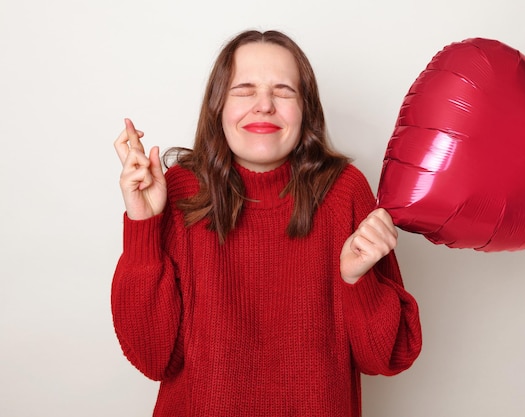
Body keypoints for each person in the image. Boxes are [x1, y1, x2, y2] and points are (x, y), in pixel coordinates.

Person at [112, 29, 421, 417]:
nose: (264, 106)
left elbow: (388, 355)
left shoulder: (346, 191)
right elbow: (153, 357)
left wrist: (357, 282)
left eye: (283, 91)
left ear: (305, 108)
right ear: (218, 106)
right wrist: (143, 224)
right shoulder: (179, 190)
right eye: (244, 90)